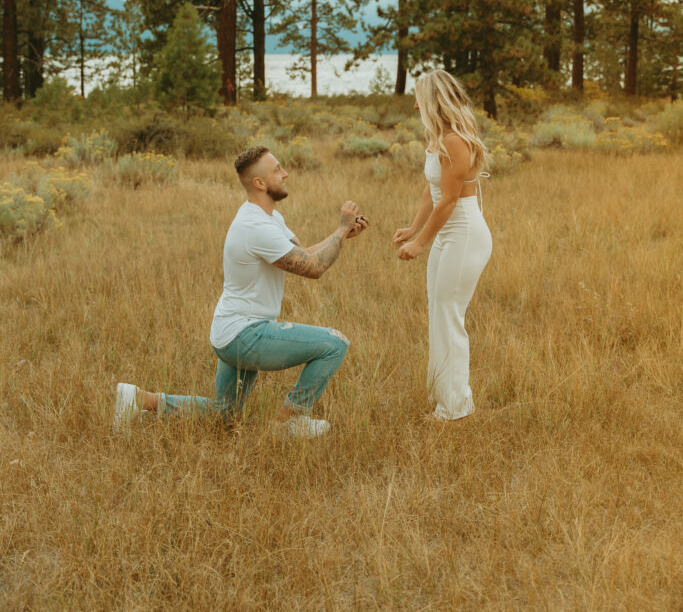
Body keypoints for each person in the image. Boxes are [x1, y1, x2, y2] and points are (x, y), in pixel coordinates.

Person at [114, 145, 369, 439]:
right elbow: (313, 268)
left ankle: (139, 400)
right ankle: (288, 422)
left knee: (225, 414)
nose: (285, 173)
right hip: (244, 334)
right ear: (259, 183)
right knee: (335, 344)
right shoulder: (255, 226)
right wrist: (339, 229)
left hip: (231, 331)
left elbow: (301, 254)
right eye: (277, 170)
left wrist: (342, 236)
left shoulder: (269, 218)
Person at [393, 70, 492, 421]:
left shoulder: (455, 141)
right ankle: (446, 400)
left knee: (449, 316)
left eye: (419, 97)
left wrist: (420, 243)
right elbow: (429, 190)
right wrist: (413, 227)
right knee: (439, 313)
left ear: (433, 100)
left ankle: (455, 408)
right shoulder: (438, 139)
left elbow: (449, 201)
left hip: (464, 234)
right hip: (447, 235)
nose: (415, 103)